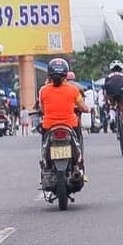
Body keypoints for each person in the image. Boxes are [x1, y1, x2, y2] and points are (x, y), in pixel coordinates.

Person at [36, 57, 86, 194]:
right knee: (78, 142)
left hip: (49, 126)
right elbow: (83, 107)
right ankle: (79, 163)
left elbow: (42, 109)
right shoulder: (73, 90)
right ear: (66, 75)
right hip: (70, 125)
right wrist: (85, 109)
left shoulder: (43, 91)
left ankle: (46, 164)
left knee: (45, 145)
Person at [102, 60, 123, 146]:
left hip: (111, 91)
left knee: (112, 105)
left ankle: (112, 118)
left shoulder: (108, 76)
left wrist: (106, 100)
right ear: (121, 69)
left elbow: (105, 90)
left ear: (111, 69)